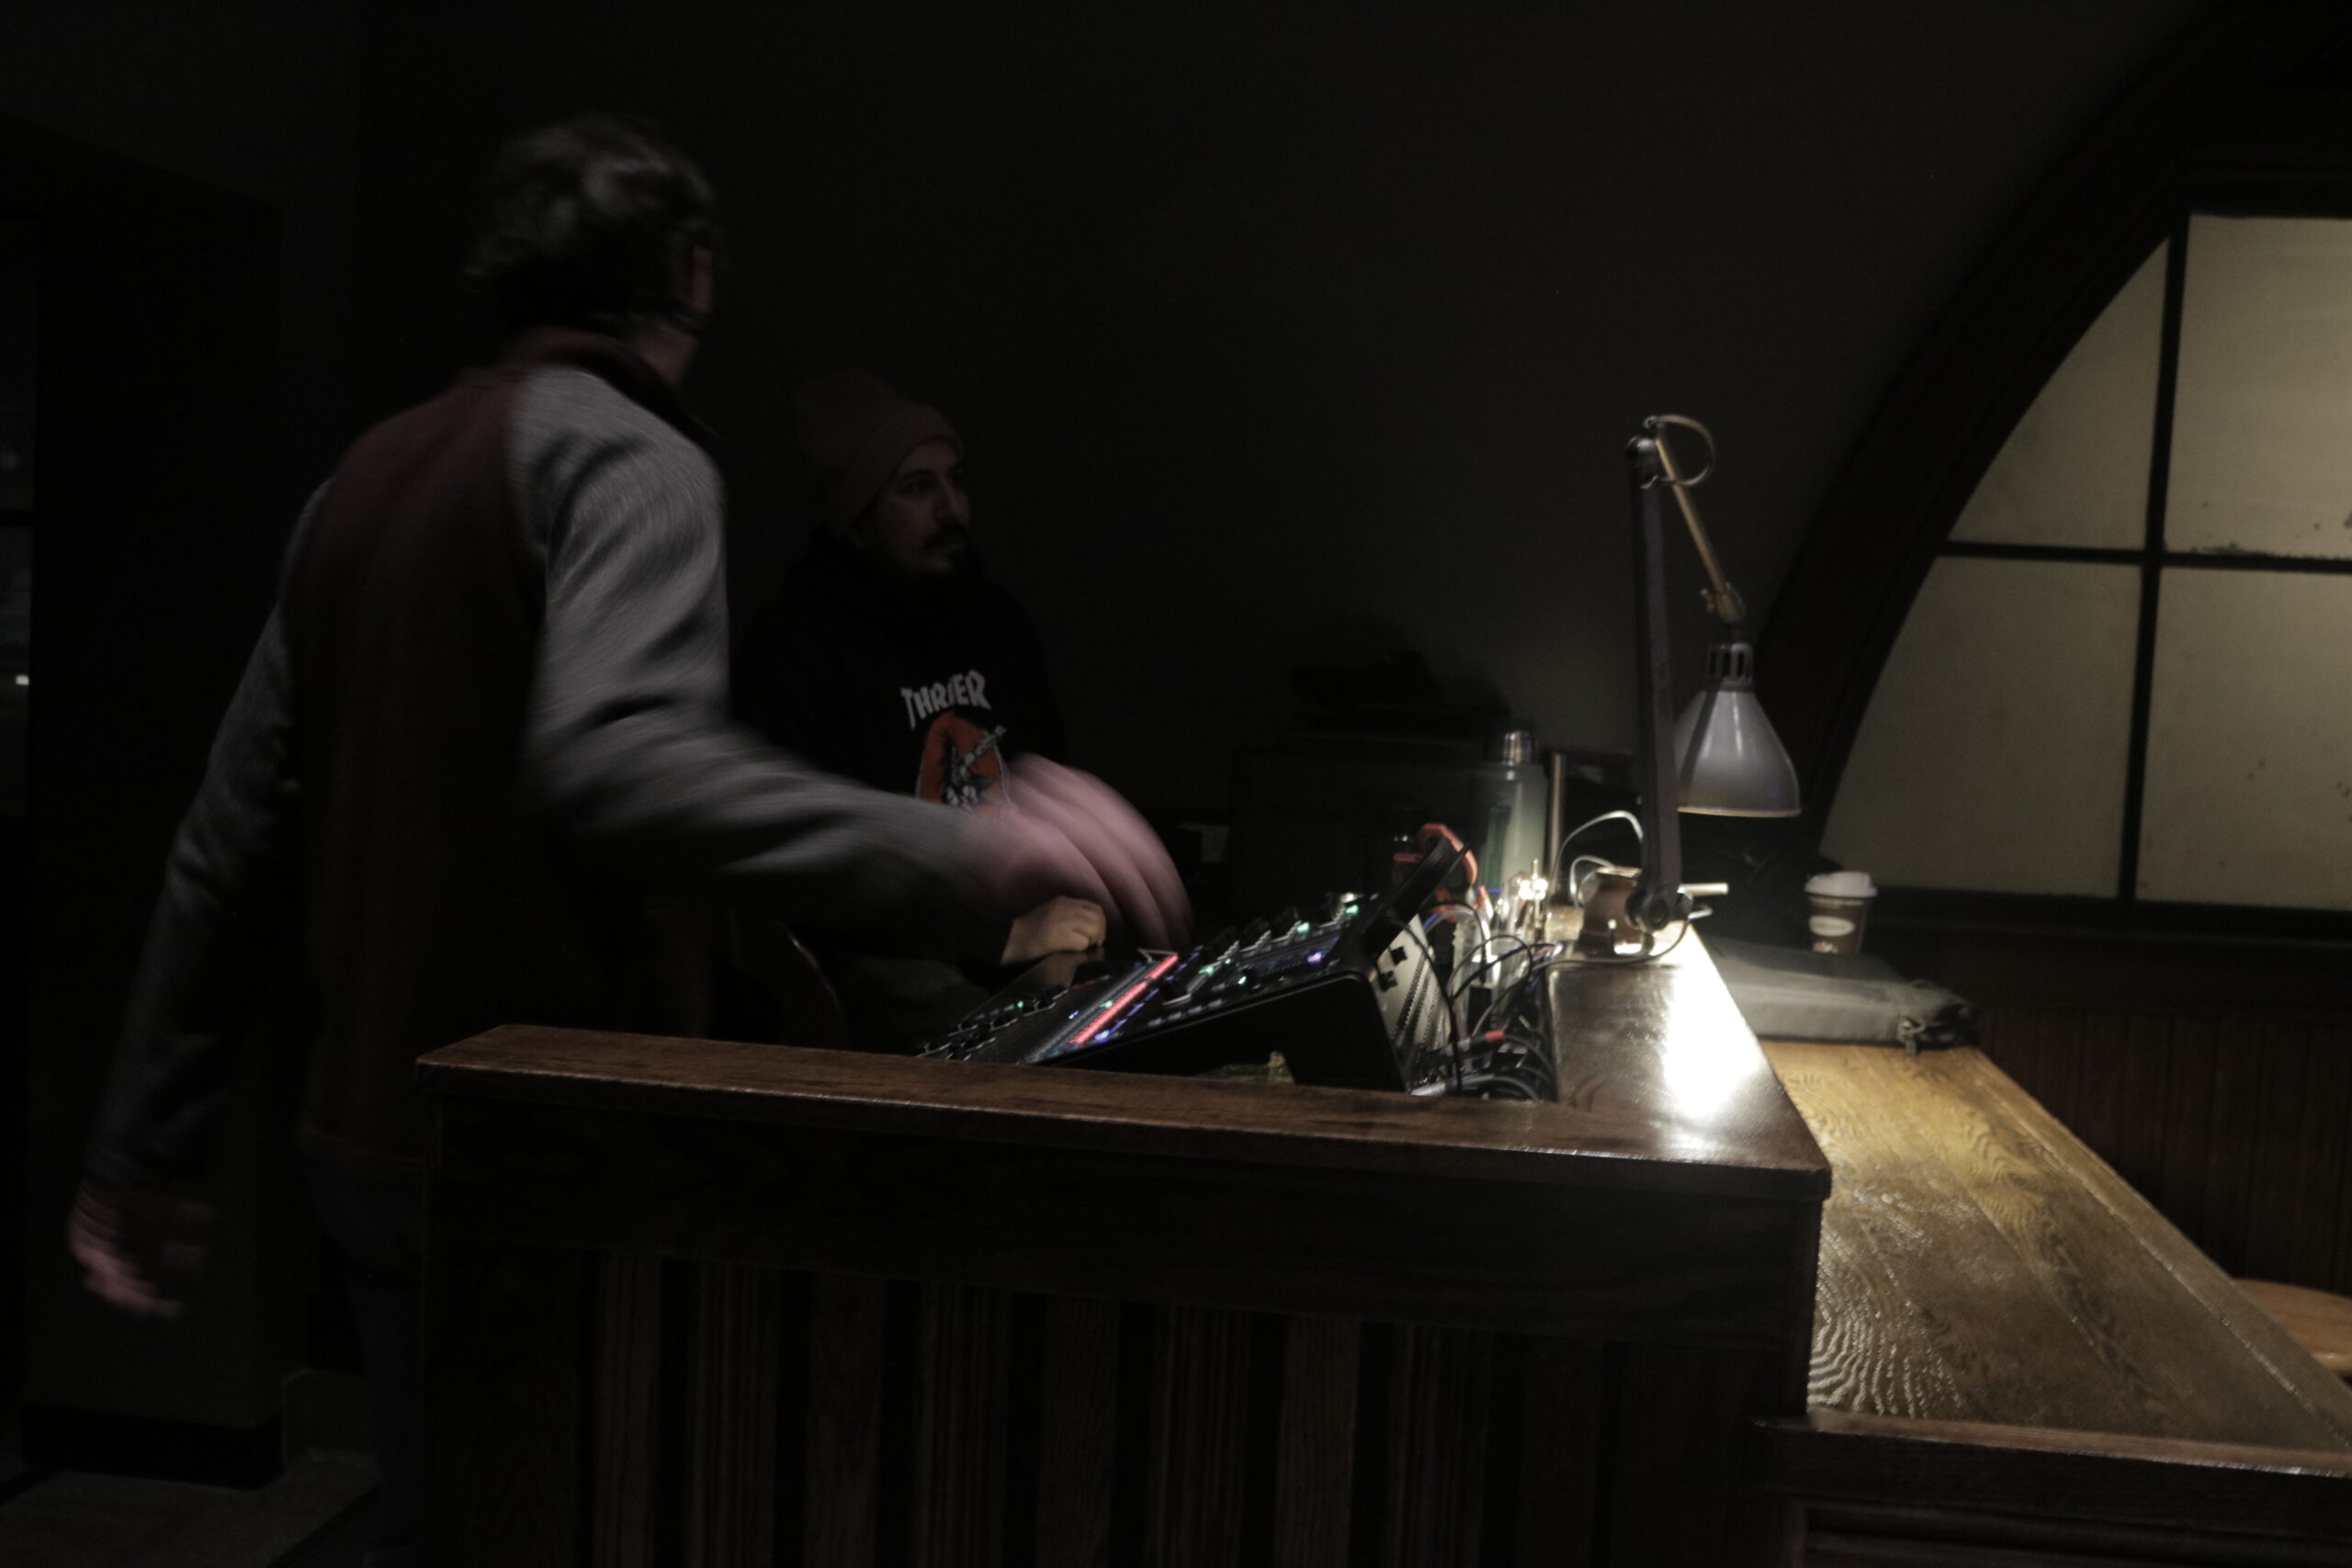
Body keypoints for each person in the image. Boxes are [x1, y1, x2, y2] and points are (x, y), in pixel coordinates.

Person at [65, 115, 1185, 1567]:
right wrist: (972, 856)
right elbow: (617, 760)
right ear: (693, 276)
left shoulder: (365, 480)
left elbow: (226, 842)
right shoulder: (629, 453)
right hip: (552, 1144)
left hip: (369, 1139)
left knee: (445, 1515)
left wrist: (147, 1141)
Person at [732, 372, 1135, 1047]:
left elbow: (1046, 788)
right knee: (980, 1038)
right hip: (885, 952)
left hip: (1015, 925)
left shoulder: (997, 623)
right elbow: (823, 875)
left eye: (956, 481)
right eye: (917, 488)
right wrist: (996, 937)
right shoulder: (794, 650)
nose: (951, 508)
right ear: (857, 519)